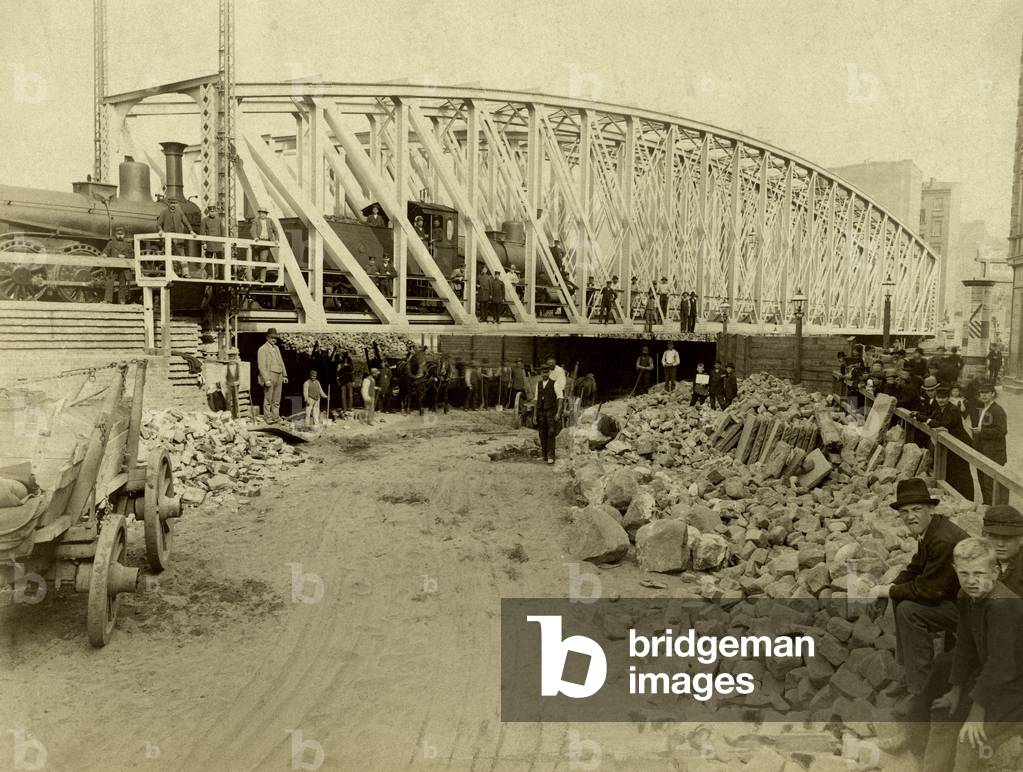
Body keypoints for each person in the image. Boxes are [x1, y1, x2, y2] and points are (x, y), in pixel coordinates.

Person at [922, 538, 1023, 771]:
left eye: (979, 573)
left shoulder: (1003, 606)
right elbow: (965, 646)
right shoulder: (966, 596)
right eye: (964, 573)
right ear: (956, 571)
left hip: (1016, 684)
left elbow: (1002, 666)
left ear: (995, 572)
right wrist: (956, 691)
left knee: (970, 739)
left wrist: (977, 712)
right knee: (944, 713)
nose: (971, 581)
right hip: (993, 679)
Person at [872, 478, 967, 717]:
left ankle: (920, 689)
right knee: (900, 595)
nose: (910, 516)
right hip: (952, 599)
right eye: (904, 512)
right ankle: (908, 673)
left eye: (916, 510)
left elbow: (929, 591)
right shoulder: (931, 530)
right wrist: (891, 587)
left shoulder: (943, 539)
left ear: (930, 509)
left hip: (971, 612)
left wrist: (886, 591)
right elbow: (915, 569)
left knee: (909, 610)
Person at [926, 386, 975, 501]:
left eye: (943, 398)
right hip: (949, 445)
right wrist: (923, 417)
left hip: (960, 444)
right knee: (951, 470)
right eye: (939, 398)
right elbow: (932, 418)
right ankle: (953, 496)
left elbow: (945, 423)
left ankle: (967, 499)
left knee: (962, 472)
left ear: (948, 398)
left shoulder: (953, 410)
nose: (940, 400)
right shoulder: (939, 409)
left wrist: (928, 421)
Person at [969, 380, 1007, 505]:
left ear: (992, 394)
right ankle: (986, 506)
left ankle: (995, 509)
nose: (983, 395)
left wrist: (981, 431)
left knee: (991, 483)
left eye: (987, 393)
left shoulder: (998, 410)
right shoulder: (984, 408)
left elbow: (1002, 431)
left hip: (994, 452)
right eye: (981, 393)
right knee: (983, 481)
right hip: (982, 450)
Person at [533, 364, 563, 465]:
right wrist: (534, 415)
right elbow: (536, 399)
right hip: (541, 411)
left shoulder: (555, 384)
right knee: (542, 433)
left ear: (549, 373)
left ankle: (551, 456)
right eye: (543, 372)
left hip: (551, 411)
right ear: (541, 373)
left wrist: (558, 413)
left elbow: (560, 398)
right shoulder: (539, 384)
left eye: (546, 372)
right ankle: (544, 455)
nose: (544, 374)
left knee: (551, 432)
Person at [256, 328, 288, 423]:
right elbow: (261, 366)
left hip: (279, 375)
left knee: (277, 399)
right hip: (270, 376)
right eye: (272, 337)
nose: (274, 340)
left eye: (275, 338)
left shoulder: (277, 348)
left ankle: (276, 417)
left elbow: (281, 362)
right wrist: (266, 379)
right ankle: (268, 417)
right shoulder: (262, 349)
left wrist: (284, 375)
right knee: (268, 399)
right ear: (267, 337)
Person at [101, 226, 133, 303]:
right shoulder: (111, 243)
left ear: (124, 235)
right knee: (109, 282)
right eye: (118, 234)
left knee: (122, 284)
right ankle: (107, 300)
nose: (120, 236)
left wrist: (125, 256)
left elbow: (132, 255)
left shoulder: (128, 245)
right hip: (113, 267)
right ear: (115, 234)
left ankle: (122, 300)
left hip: (123, 268)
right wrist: (104, 254)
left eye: (121, 234)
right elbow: (105, 251)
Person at [246, 207, 278, 282]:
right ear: (259, 213)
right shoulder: (255, 221)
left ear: (266, 214)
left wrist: (276, 239)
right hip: (258, 243)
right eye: (261, 213)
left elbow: (275, 230)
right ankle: (258, 277)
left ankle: (262, 278)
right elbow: (252, 230)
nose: (262, 214)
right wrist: (255, 237)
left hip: (266, 243)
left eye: (264, 213)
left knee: (263, 259)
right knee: (257, 260)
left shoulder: (270, 221)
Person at [200, 204, 225, 279]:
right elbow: (202, 232)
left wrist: (223, 243)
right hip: (209, 243)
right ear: (209, 212)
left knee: (221, 260)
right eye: (211, 211)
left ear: (215, 212)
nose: (212, 213)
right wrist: (203, 243)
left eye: (213, 211)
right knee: (208, 259)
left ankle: (221, 276)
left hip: (218, 243)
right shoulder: (204, 220)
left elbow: (223, 231)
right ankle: (210, 275)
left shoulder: (219, 220)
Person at [224, 347, 241, 419]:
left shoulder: (238, 366)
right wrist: (226, 384)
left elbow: (240, 376)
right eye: (230, 357)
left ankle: (236, 415)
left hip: (236, 385)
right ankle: (228, 415)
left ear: (235, 358)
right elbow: (224, 377)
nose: (232, 359)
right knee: (228, 400)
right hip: (228, 385)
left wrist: (238, 382)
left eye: (233, 357)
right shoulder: (226, 367)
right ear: (229, 358)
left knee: (236, 400)